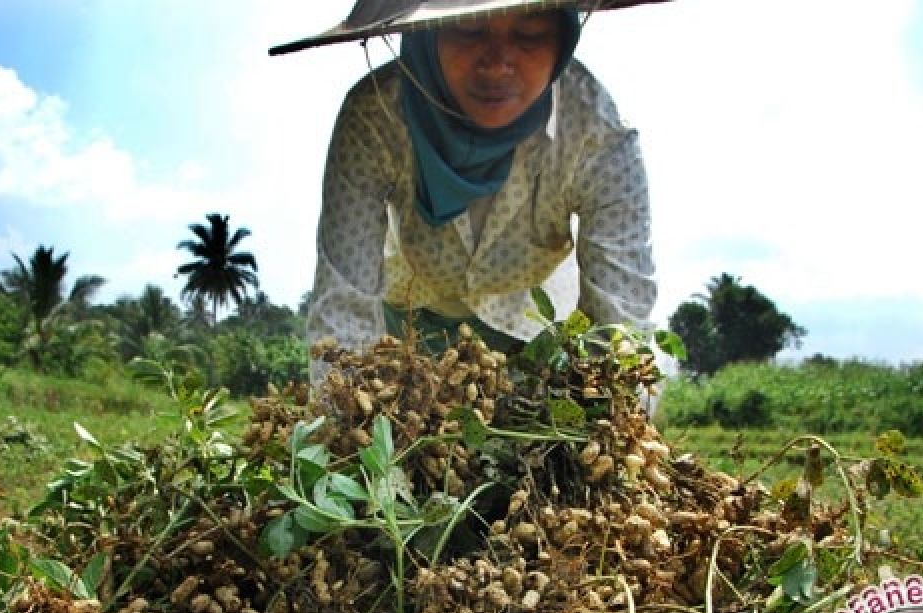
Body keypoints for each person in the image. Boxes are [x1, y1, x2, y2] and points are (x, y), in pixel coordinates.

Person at [271, 2, 662, 376]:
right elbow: (343, 310)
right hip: (405, 320)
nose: (496, 62)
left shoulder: (599, 137)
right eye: (469, 30)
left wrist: (608, 418)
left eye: (529, 35)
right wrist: (345, 422)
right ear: (428, 32)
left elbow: (620, 330)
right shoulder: (377, 114)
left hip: (527, 331)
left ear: (562, 37)